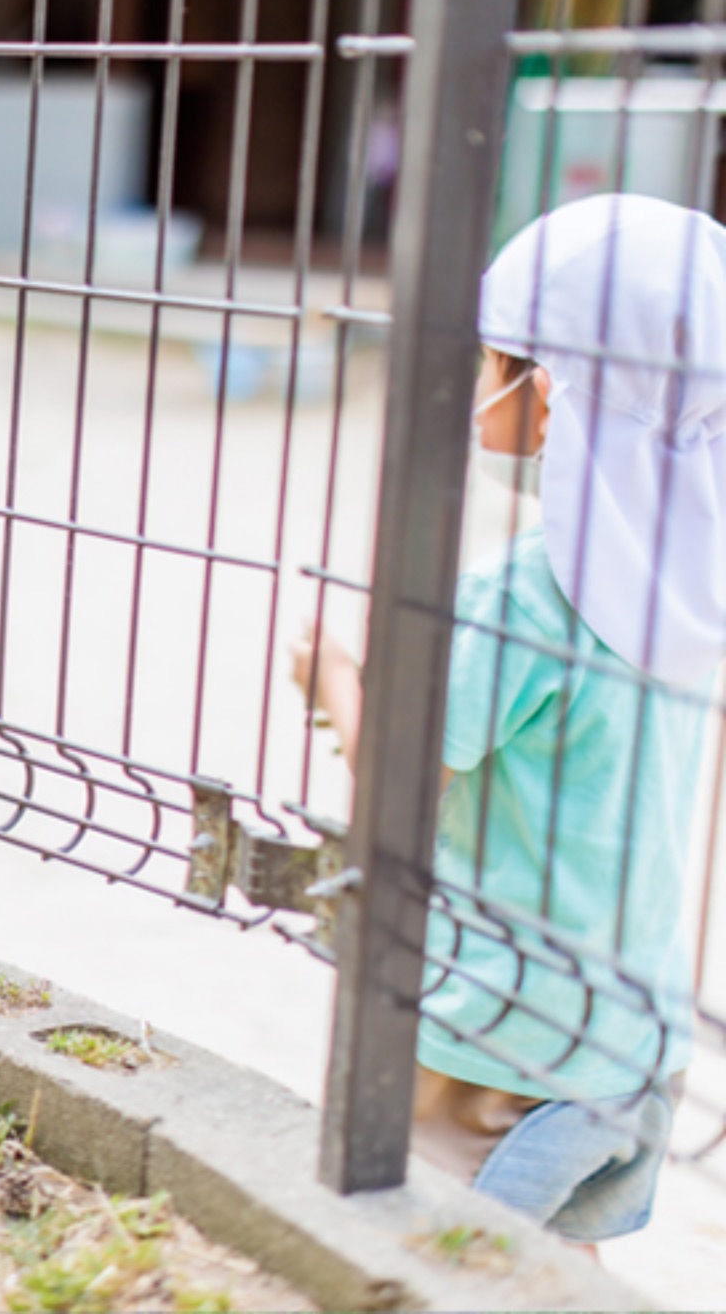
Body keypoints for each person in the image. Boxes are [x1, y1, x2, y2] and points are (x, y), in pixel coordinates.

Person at [292, 193, 726, 1247]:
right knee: (553, 1274)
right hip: (625, 1039)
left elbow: (397, 776)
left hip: (489, 1037)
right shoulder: (694, 581)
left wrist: (331, 675)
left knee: (425, 1252)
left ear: (551, 393)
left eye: (492, 353)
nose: (472, 376)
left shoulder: (524, 592)